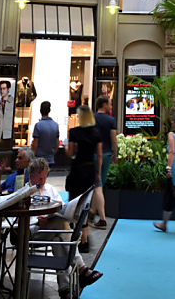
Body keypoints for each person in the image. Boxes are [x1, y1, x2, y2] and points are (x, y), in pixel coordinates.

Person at [27, 157, 103, 296]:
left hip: (52, 229)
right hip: (33, 233)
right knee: (61, 224)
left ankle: (64, 289)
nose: (43, 182)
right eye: (40, 178)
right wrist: (36, 221)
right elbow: (20, 221)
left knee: (58, 237)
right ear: (31, 176)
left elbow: (62, 208)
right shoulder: (25, 192)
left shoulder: (49, 189)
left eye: (45, 178)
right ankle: (81, 268)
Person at [65, 105, 102, 253]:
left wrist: (67, 147)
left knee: (75, 202)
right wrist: (98, 173)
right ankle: (84, 237)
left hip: (77, 169)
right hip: (90, 169)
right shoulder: (96, 133)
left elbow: (70, 153)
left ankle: (80, 236)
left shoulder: (74, 132)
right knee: (86, 202)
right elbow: (99, 155)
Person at [90, 95, 117, 228]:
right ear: (104, 104)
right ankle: (92, 212)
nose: (111, 106)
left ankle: (102, 219)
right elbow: (114, 139)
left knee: (98, 185)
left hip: (94, 154)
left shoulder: (92, 118)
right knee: (99, 184)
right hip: (107, 154)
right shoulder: (111, 120)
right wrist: (115, 154)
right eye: (110, 104)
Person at [32, 100, 60, 165]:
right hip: (50, 159)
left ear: (40, 110)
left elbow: (35, 144)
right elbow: (57, 144)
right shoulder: (55, 125)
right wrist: (52, 154)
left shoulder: (38, 125)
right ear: (49, 110)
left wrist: (32, 157)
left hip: (38, 158)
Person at [0, 79, 13, 143]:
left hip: (9, 135)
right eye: (0, 89)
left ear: (8, 89)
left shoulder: (13, 102)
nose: (2, 91)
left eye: (4, 88)